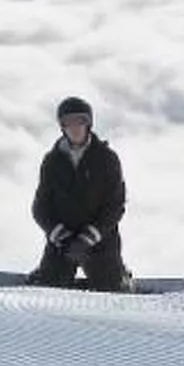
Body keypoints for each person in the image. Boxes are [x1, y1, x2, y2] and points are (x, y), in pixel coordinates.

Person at [28, 96, 130, 293]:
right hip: (62, 240)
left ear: (89, 123)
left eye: (80, 121)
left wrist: (88, 238)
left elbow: (115, 205)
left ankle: (120, 277)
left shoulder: (107, 159)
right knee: (48, 291)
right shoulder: (52, 161)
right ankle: (44, 275)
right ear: (62, 127)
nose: (74, 127)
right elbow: (40, 207)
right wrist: (60, 236)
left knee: (111, 292)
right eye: (68, 122)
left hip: (100, 240)